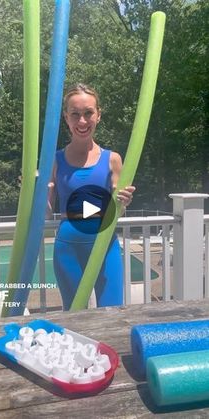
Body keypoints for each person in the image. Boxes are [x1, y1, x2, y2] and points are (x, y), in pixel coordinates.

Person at [48, 83, 135, 310]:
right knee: (74, 314)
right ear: (66, 118)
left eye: (88, 113)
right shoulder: (54, 160)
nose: (82, 121)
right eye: (75, 115)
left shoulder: (112, 159)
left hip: (105, 246)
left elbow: (117, 209)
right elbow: (47, 211)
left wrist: (124, 201)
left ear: (98, 115)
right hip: (68, 248)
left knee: (112, 311)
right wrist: (38, 190)